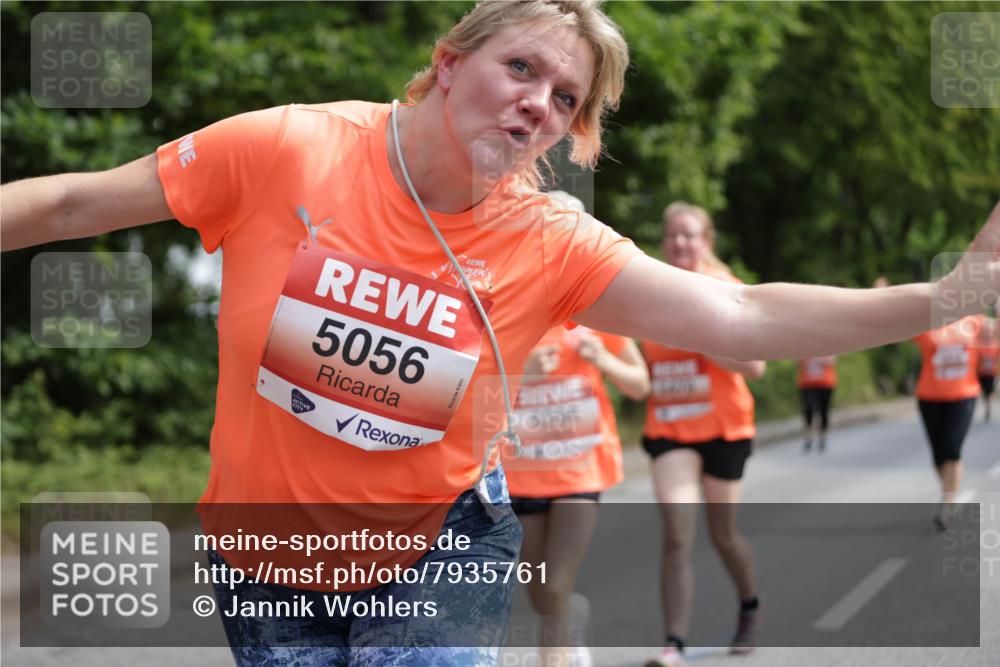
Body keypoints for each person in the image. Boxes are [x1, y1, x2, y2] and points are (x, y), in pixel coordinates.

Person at [2, 0, 999, 662]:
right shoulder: (287, 149)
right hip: (261, 548)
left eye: (565, 99)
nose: (537, 105)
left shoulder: (549, 238)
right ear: (445, 64)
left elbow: (738, 311)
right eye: (520, 69)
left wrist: (948, 295)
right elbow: (72, 206)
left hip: (434, 545)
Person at [638, 202, 766, 667]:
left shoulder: (727, 290)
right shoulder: (651, 289)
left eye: (689, 235)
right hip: (671, 429)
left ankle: (749, 604)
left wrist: (701, 339)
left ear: (706, 241)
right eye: (672, 235)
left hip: (724, 429)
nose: (679, 243)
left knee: (724, 536)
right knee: (676, 533)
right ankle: (674, 641)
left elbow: (755, 366)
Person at [505, 317, 648, 667]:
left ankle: (555, 658)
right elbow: (471, 392)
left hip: (579, 471)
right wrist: (523, 374)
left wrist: (604, 361)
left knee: (554, 585)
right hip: (520, 474)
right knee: (539, 590)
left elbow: (640, 385)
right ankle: (569, 636)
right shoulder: (509, 313)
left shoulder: (596, 316)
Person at [913, 316, 983, 530]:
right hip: (929, 396)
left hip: (963, 395)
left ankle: (947, 504)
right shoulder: (927, 323)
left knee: (952, 448)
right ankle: (950, 488)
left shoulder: (975, 322)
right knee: (938, 456)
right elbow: (894, 328)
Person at [798, 356, 838, 452]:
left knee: (824, 411)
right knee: (809, 409)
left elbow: (832, 361)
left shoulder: (827, 345)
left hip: (825, 383)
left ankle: (822, 437)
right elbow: (799, 362)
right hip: (808, 383)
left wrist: (818, 359)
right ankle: (809, 436)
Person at [977, 315, 999, 423]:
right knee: (983, 391)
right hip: (981, 373)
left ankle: (988, 408)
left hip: (991, 373)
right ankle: (987, 404)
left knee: (989, 391)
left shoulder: (996, 344)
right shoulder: (978, 344)